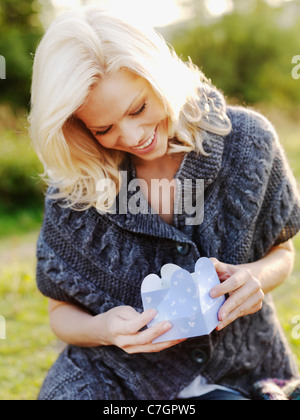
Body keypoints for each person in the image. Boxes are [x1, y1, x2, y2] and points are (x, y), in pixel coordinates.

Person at [29, 5, 300, 400]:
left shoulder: (248, 143)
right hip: (113, 380)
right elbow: (60, 314)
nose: (134, 135)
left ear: (159, 74)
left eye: (138, 108)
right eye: (104, 128)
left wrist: (255, 276)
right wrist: (105, 329)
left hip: (241, 369)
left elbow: (283, 251)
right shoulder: (75, 186)